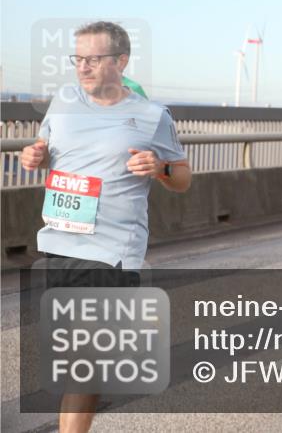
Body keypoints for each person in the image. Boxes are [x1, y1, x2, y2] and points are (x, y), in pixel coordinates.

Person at [19, 21, 191, 433]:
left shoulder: (151, 116)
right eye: (77, 59)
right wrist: (35, 155)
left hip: (112, 251)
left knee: (82, 364)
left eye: (93, 59)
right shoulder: (62, 101)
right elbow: (46, 149)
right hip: (60, 243)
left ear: (121, 62)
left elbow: (183, 178)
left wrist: (161, 168)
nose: (82, 67)